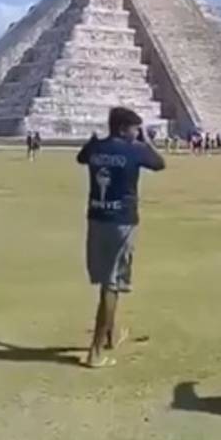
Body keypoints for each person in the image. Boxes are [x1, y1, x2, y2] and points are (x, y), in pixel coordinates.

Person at [75, 107, 167, 369]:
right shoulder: (134, 149)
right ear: (125, 128)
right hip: (122, 221)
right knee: (112, 284)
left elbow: (81, 158)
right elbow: (159, 164)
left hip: (96, 218)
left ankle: (111, 336)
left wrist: (95, 142)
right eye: (136, 128)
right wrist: (145, 142)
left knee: (107, 279)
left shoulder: (97, 147)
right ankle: (95, 352)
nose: (138, 132)